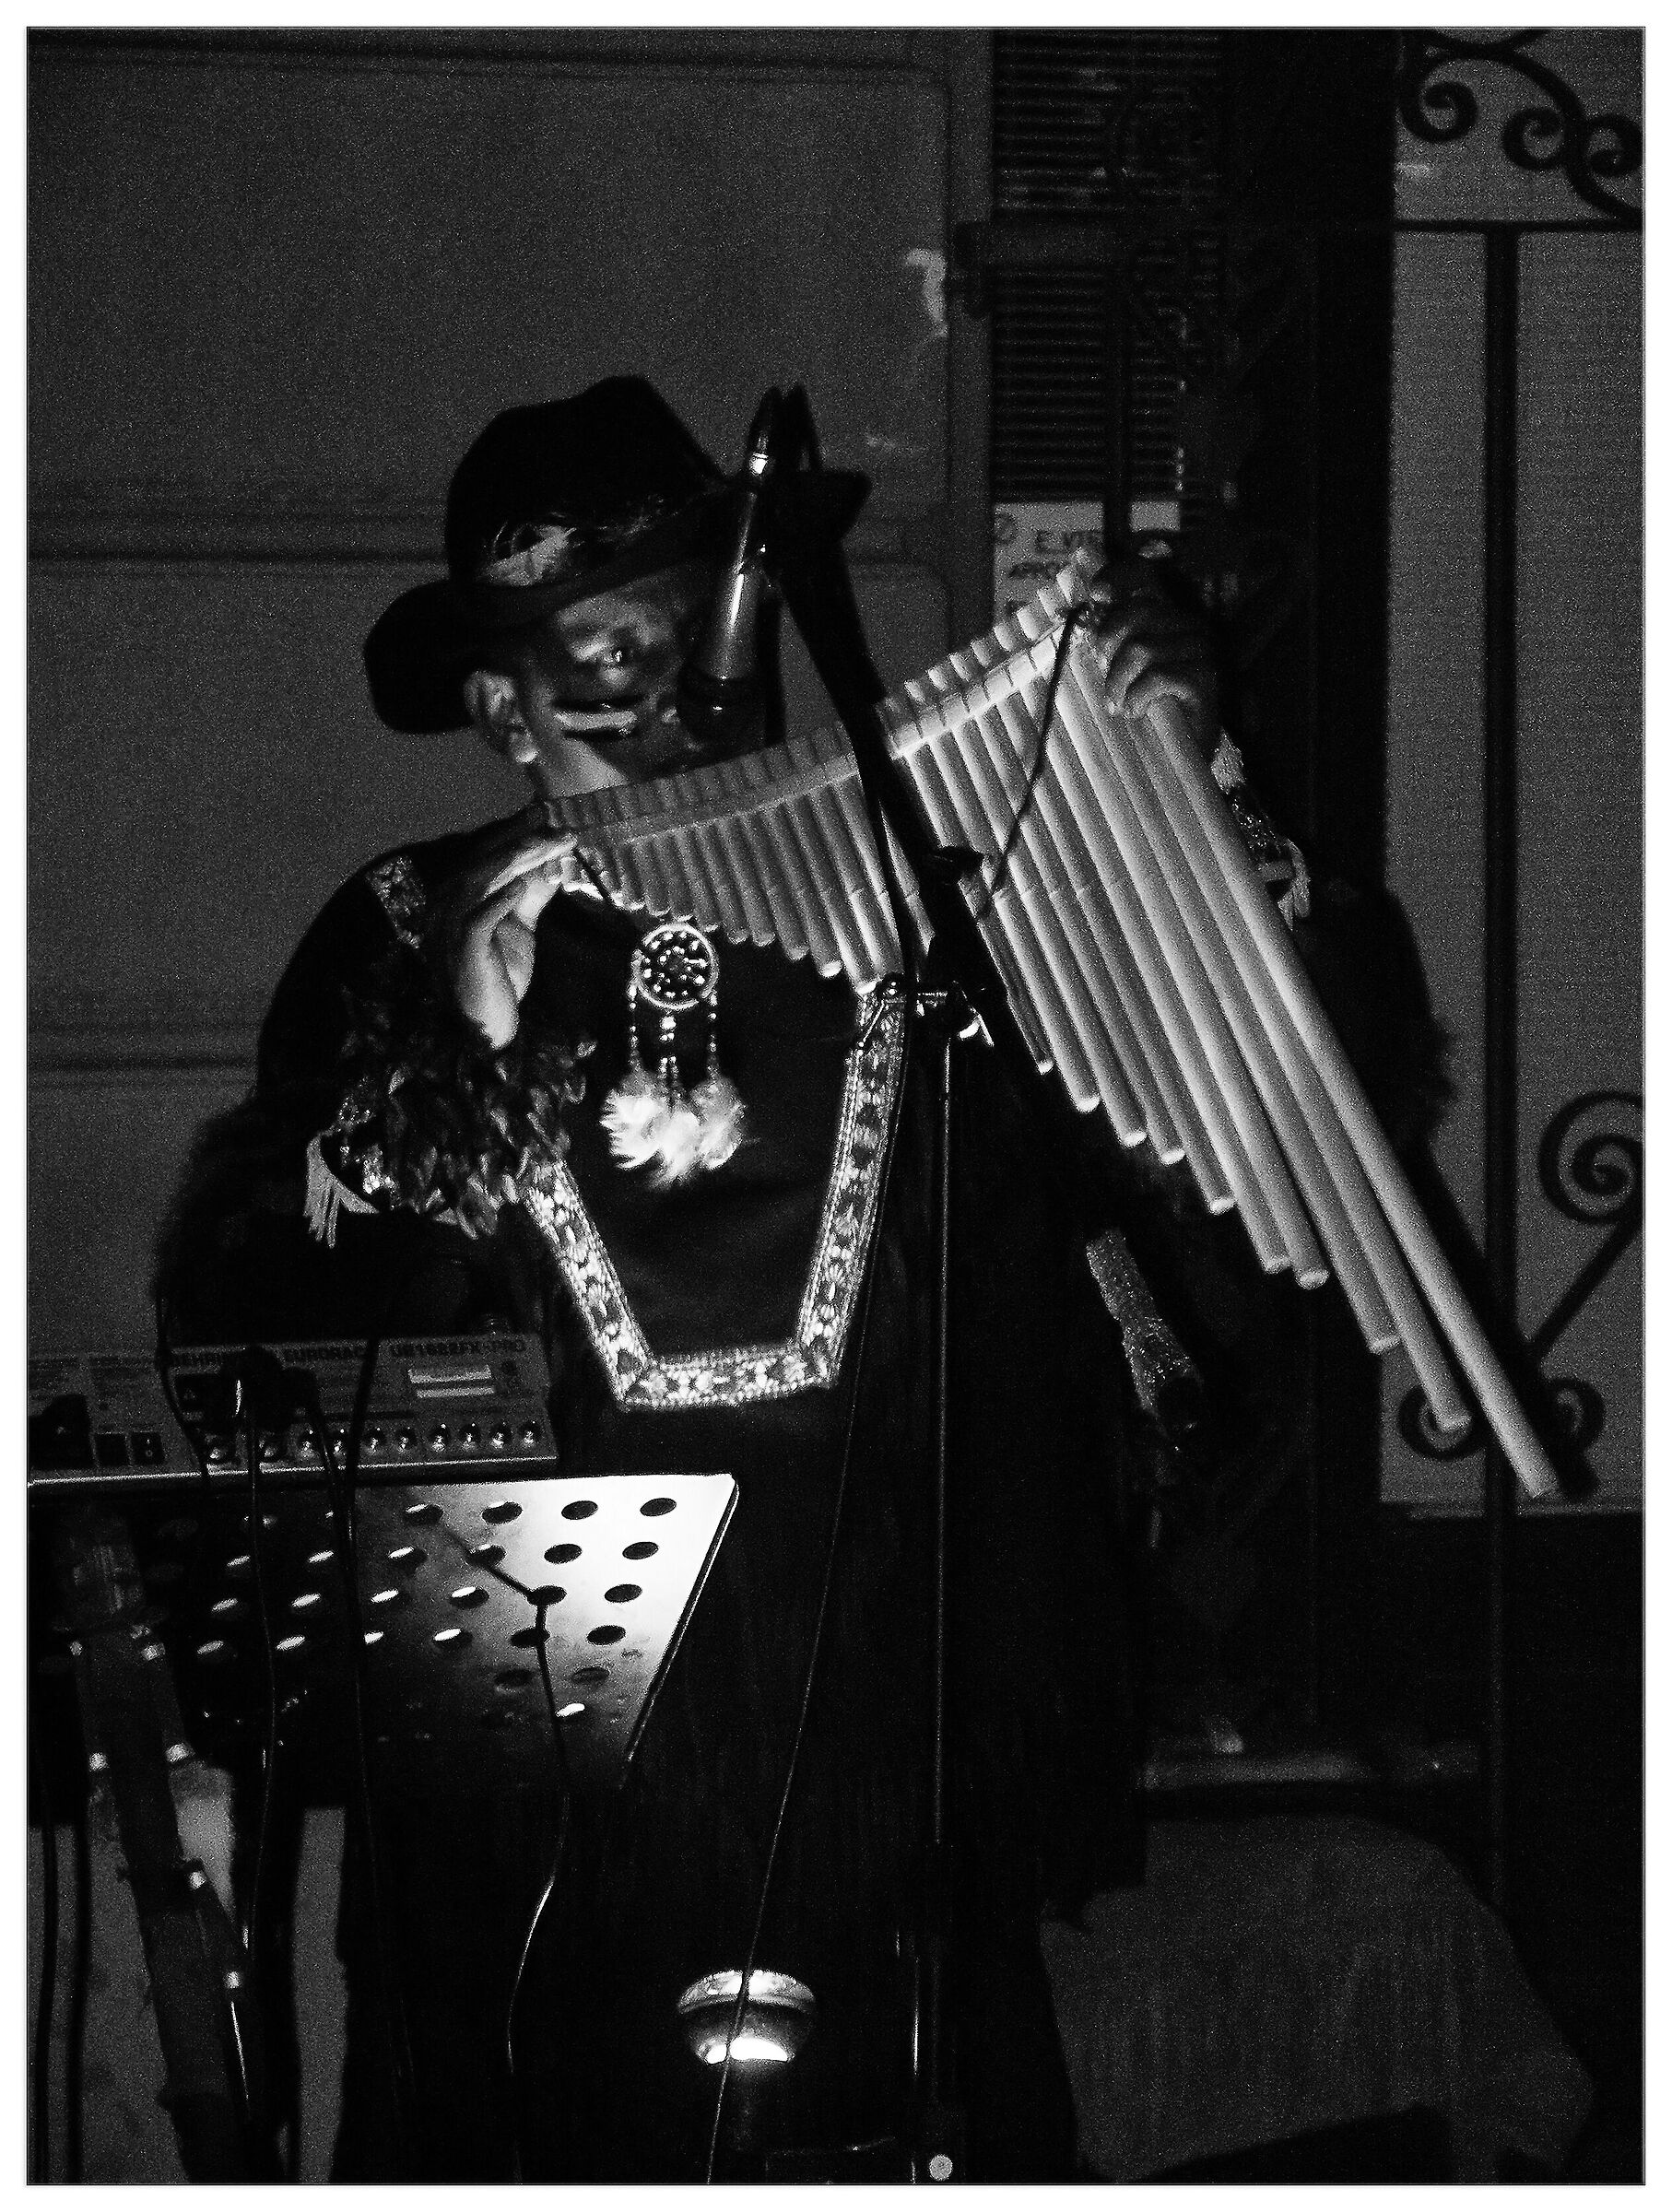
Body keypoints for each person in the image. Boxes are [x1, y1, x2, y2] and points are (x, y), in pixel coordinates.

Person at [152, 377, 1301, 2183]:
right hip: (532, 1761)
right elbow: (253, 1334)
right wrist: (456, 1060)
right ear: (501, 708)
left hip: (884, 1709)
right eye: (605, 651)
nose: (685, 686)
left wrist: (1196, 797)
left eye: (708, 629)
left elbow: (1209, 1164)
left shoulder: (928, 912)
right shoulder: (402, 930)